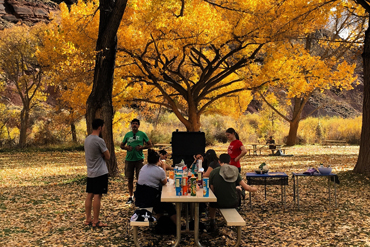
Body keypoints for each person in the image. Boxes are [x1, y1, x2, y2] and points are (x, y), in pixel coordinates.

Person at [208, 154, 257, 232]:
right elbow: (246, 187)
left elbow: (212, 189)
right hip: (233, 203)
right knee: (238, 188)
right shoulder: (234, 171)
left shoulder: (214, 171)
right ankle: (238, 208)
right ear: (230, 161)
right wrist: (254, 189)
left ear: (219, 161)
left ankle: (212, 220)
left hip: (217, 203)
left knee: (212, 202)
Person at [134, 149, 177, 224]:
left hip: (139, 198)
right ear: (159, 160)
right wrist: (163, 167)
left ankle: (160, 221)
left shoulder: (143, 168)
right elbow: (164, 182)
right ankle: (178, 226)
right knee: (169, 205)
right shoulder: (159, 170)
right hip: (150, 199)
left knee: (159, 201)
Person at [84, 119, 110, 228]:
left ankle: (88, 219)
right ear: (100, 127)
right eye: (103, 126)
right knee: (97, 195)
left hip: (90, 172)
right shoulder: (99, 140)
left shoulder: (87, 139)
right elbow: (108, 156)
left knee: (89, 194)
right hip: (100, 172)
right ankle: (96, 221)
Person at [121, 119, 152, 204]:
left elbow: (150, 144)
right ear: (131, 125)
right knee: (129, 179)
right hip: (129, 159)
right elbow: (121, 145)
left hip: (139, 160)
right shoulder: (127, 135)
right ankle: (130, 197)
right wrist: (126, 148)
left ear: (138, 125)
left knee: (140, 179)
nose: (134, 125)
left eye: (136, 124)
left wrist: (142, 147)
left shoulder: (142, 134)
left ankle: (139, 196)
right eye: (133, 124)